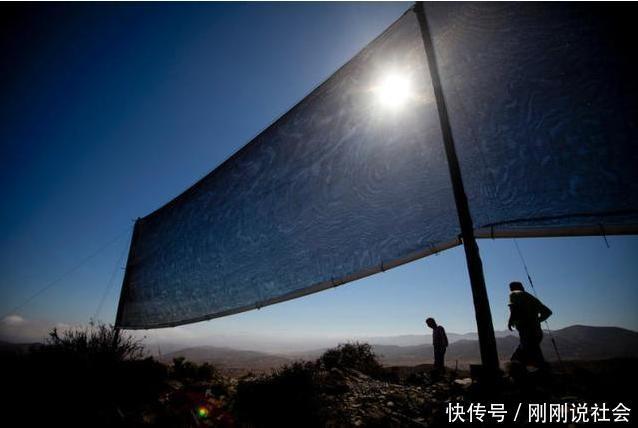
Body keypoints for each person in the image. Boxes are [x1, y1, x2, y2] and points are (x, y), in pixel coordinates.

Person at [507, 281, 552, 368]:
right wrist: (536, 321)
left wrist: (510, 321)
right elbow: (547, 312)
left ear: (512, 288)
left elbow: (514, 308)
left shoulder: (514, 294)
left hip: (527, 333)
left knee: (516, 360)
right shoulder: (531, 297)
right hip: (536, 333)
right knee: (531, 359)